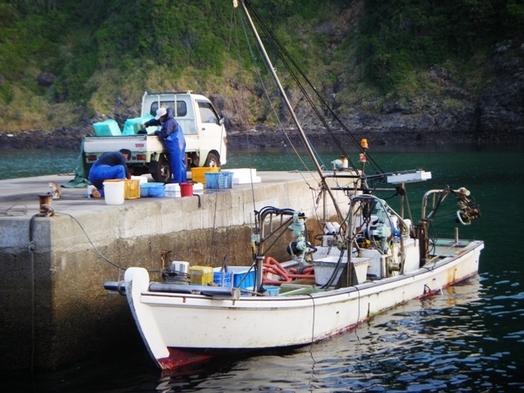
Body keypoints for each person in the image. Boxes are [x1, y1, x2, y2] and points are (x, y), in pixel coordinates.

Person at [142, 107, 187, 183]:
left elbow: (164, 134)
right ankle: (182, 182)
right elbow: (155, 121)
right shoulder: (165, 120)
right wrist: (147, 124)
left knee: (176, 164)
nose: (159, 119)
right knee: (181, 164)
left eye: (160, 117)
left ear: (163, 116)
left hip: (176, 144)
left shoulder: (169, 122)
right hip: (179, 144)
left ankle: (177, 182)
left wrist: (155, 132)